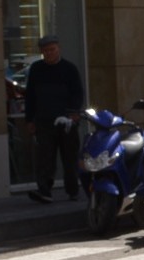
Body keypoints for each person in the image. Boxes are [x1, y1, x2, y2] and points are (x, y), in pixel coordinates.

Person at [22, 36, 86, 202]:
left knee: (69, 157)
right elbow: (30, 96)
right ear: (41, 52)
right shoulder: (37, 69)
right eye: (45, 51)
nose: (49, 53)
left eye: (52, 50)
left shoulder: (69, 69)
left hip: (67, 121)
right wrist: (30, 119)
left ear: (58, 49)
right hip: (44, 120)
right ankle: (44, 190)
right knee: (45, 158)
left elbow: (77, 93)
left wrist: (73, 113)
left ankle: (72, 190)